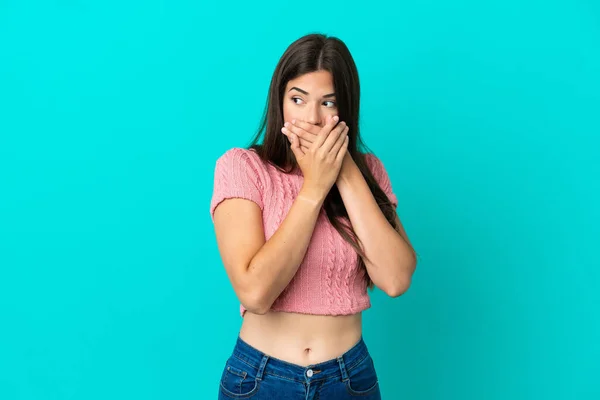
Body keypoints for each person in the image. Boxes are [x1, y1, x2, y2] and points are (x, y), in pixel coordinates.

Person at [210, 33, 417, 399]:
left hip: (349, 379)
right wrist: (314, 188)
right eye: (298, 99)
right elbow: (256, 292)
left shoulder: (369, 171)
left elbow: (396, 279)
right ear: (280, 101)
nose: (312, 117)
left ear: (345, 109)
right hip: (259, 379)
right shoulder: (244, 168)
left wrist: (345, 171)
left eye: (328, 103)